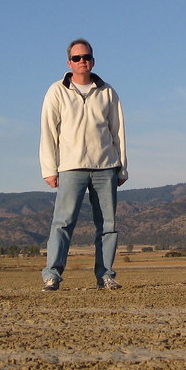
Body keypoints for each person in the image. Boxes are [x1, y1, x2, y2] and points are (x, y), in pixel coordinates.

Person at [39, 39, 128, 291]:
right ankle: (52, 275)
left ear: (93, 60)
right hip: (70, 167)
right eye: (77, 58)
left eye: (86, 57)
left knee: (108, 225)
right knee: (63, 223)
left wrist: (122, 167)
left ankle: (106, 275)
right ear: (69, 63)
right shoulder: (57, 91)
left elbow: (118, 131)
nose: (82, 61)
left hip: (105, 167)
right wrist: (49, 169)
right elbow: (48, 132)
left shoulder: (108, 92)